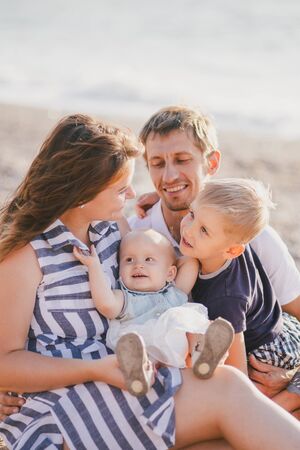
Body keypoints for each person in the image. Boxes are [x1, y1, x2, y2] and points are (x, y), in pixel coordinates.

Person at [0, 113, 300, 450]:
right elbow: (5, 362)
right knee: (228, 387)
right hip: (67, 404)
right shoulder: (27, 254)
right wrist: (96, 370)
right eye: (120, 188)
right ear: (82, 191)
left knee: (225, 441)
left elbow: (162, 256)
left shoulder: (112, 231)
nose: (131, 193)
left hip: (127, 380)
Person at [128, 104, 300, 416]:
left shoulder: (251, 235)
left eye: (182, 160)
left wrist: (295, 384)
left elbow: (295, 315)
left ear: (212, 162)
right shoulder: (138, 235)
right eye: (157, 163)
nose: (168, 176)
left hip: (258, 362)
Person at [73, 228, 234, 396]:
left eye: (149, 259)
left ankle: (202, 356)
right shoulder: (125, 297)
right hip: (145, 346)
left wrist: (167, 267)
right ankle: (139, 374)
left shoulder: (174, 291)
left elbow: (190, 262)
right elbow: (106, 304)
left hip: (178, 348)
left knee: (190, 319)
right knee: (136, 347)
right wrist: (94, 267)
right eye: (129, 260)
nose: (138, 265)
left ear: (171, 272)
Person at [179, 177, 300, 376]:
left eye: (204, 230)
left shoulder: (227, 298)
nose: (188, 230)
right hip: (277, 324)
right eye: (192, 214)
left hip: (269, 352)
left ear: (233, 250)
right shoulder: (227, 245)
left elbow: (239, 372)